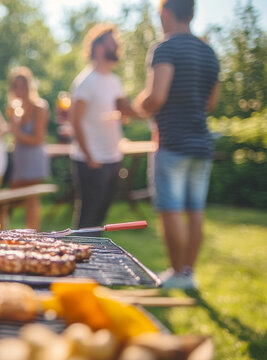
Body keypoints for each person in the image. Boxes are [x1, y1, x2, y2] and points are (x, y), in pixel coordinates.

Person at [134, 0, 219, 289]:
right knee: (195, 210)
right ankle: (188, 275)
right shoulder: (208, 51)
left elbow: (156, 97)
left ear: (166, 14)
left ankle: (175, 272)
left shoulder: (165, 48)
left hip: (172, 143)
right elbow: (211, 102)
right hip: (201, 144)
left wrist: (138, 105)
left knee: (170, 209)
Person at [69, 24, 141, 236]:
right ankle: (78, 259)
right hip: (91, 160)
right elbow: (75, 122)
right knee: (88, 219)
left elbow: (124, 111)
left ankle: (92, 259)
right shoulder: (85, 82)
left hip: (112, 158)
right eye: (113, 42)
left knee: (100, 219)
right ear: (99, 47)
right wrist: (90, 156)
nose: (118, 46)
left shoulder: (115, 81)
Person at [6, 66, 50, 231]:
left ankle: (33, 233)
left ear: (29, 86)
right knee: (13, 196)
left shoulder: (39, 107)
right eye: (15, 86)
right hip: (20, 158)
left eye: (22, 85)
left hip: (33, 157)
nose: (19, 89)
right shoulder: (15, 109)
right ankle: (8, 230)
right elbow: (13, 136)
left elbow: (38, 138)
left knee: (31, 197)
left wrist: (16, 132)